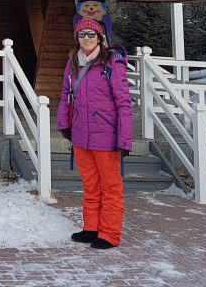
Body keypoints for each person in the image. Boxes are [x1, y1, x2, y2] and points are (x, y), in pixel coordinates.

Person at [57, 18, 132, 249]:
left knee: (110, 187)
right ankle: (91, 228)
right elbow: (65, 96)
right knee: (90, 185)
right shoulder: (72, 63)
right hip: (81, 136)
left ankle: (109, 234)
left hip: (106, 137)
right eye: (82, 34)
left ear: (99, 37)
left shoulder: (112, 64)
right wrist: (64, 124)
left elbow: (124, 103)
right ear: (76, 38)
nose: (86, 38)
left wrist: (124, 139)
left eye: (91, 34)